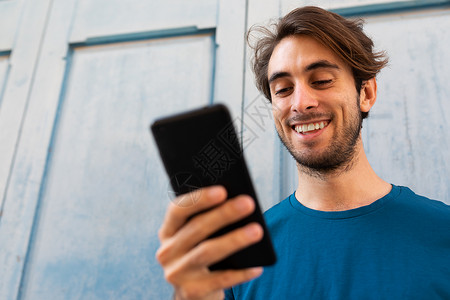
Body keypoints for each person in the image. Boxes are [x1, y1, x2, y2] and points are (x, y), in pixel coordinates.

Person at [156, 6, 450, 300]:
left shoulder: (442, 233)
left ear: (366, 94)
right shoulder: (240, 254)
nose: (301, 103)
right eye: (283, 89)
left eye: (321, 80)